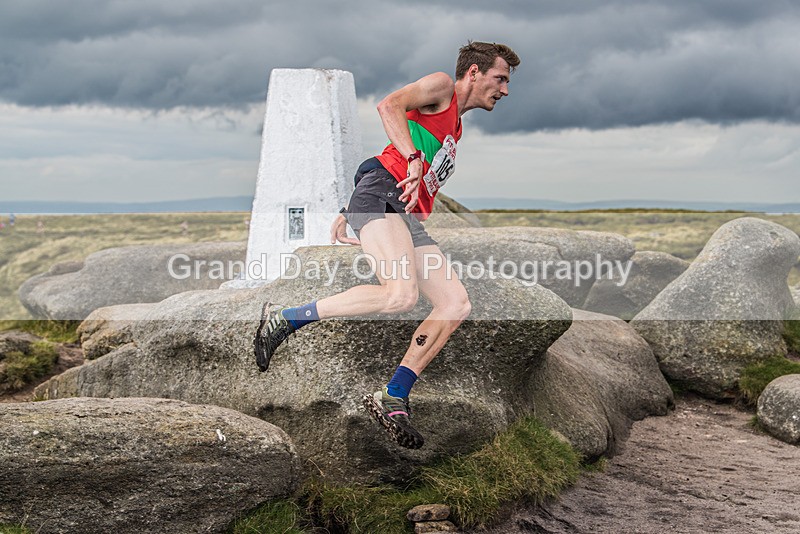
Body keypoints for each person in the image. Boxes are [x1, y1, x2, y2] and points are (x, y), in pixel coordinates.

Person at [255, 41, 520, 449]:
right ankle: (286, 317)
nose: (503, 90)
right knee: (400, 295)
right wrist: (410, 160)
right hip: (383, 196)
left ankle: (393, 393)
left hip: (403, 212)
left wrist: (355, 202)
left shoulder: (457, 124)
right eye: (500, 78)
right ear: (473, 73)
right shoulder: (441, 86)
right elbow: (388, 106)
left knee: (455, 303)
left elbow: (398, 154)